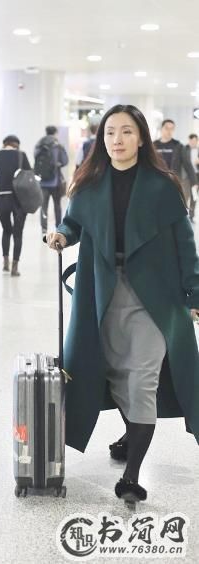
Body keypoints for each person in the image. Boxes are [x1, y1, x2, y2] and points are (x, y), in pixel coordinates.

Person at [47, 104, 199, 507]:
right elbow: (74, 223)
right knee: (112, 372)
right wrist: (61, 235)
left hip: (155, 295)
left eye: (127, 131)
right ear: (102, 139)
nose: (117, 139)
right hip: (102, 291)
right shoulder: (89, 182)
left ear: (142, 138)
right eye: (110, 132)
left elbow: (185, 243)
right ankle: (130, 435)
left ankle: (131, 476)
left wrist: (195, 293)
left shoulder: (163, 186)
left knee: (142, 378)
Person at [0, 135, 31, 276]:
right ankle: (15, 267)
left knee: (6, 230)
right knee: (18, 233)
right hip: (19, 200)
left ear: (4, 144)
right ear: (17, 145)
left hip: (2, 198)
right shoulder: (21, 155)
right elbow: (30, 176)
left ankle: (5, 262)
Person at [153, 119, 198, 214]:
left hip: (172, 182)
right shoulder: (154, 145)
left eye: (172, 129)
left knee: (171, 207)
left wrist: (194, 182)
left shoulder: (178, 146)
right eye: (167, 128)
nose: (169, 131)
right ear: (161, 129)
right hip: (156, 181)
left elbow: (187, 164)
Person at [34, 125, 68, 235]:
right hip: (55, 181)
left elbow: (36, 159)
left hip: (42, 181)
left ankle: (44, 228)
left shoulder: (39, 145)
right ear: (55, 133)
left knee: (43, 206)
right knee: (57, 205)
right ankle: (58, 226)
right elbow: (65, 161)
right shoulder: (58, 145)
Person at [183, 133, 199, 221]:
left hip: (196, 177)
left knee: (194, 196)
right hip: (186, 176)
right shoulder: (184, 149)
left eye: (194, 141)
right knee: (185, 195)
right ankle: (183, 215)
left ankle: (191, 216)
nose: (193, 143)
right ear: (189, 141)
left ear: (197, 141)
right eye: (191, 141)